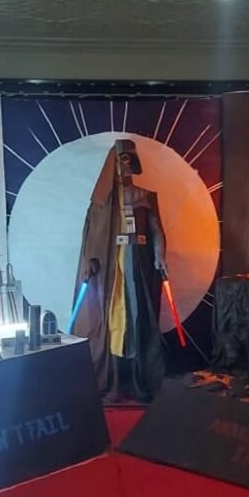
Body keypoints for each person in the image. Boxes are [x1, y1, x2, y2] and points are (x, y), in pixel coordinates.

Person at [71, 139, 167, 403]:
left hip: (137, 267)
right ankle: (112, 382)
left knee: (137, 321)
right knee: (114, 323)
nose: (125, 165)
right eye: (121, 159)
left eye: (128, 159)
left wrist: (159, 255)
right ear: (112, 163)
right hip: (110, 270)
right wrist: (89, 260)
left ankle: (136, 381)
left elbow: (157, 230)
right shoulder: (101, 202)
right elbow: (91, 236)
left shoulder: (145, 196)